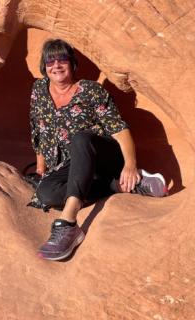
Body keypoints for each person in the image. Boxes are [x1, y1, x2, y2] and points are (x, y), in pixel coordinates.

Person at [28, 39, 168, 261]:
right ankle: (123, 185)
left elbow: (120, 130)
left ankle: (68, 224)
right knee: (46, 193)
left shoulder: (91, 91)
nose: (56, 65)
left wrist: (130, 166)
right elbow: (38, 128)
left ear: (72, 63)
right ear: (44, 66)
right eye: (50, 60)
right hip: (72, 164)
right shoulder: (39, 90)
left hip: (101, 154)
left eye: (62, 59)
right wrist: (41, 167)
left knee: (81, 139)